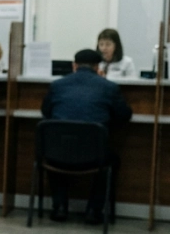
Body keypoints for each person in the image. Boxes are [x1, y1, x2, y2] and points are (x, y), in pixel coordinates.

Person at [40, 49, 132, 224]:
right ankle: (94, 210)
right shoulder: (109, 87)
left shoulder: (57, 86)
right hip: (93, 156)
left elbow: (46, 112)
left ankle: (59, 207)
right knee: (111, 159)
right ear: (98, 68)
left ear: (74, 66)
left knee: (53, 151)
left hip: (57, 154)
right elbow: (124, 115)